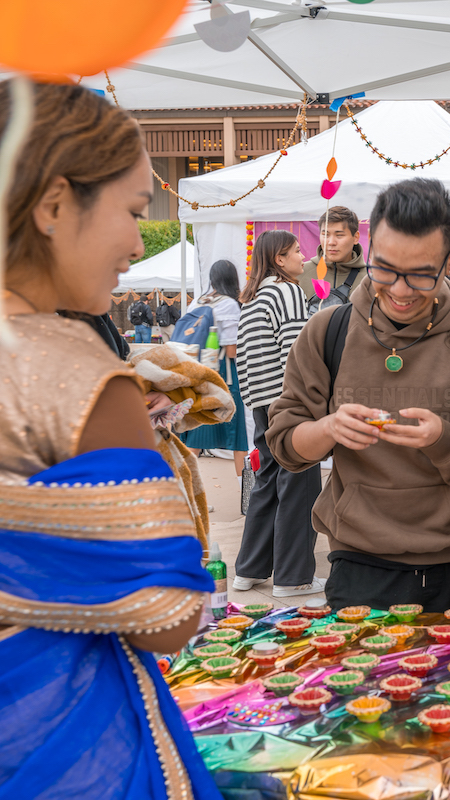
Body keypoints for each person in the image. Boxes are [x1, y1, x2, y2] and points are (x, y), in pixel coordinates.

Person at [0, 79, 220, 799]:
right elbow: (166, 614)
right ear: (55, 204)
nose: (136, 240)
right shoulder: (82, 377)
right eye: (132, 211)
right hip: (60, 738)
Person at [267, 178, 450, 611]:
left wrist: (443, 439)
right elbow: (285, 443)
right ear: (370, 248)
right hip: (360, 565)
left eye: (420, 274)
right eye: (385, 269)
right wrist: (327, 428)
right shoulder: (328, 333)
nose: (399, 290)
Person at [234, 230, 324, 597]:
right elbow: (294, 352)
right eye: (296, 252)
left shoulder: (253, 297)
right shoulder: (286, 292)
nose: (303, 257)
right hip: (287, 402)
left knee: (268, 483)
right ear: (279, 260)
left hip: (260, 401)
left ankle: (250, 569)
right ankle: (293, 576)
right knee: (300, 484)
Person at [180, 259, 250, 475]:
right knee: (238, 439)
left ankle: (184, 493)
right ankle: (246, 499)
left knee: (196, 435)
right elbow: (231, 351)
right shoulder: (229, 304)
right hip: (224, 376)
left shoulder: (198, 301)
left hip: (198, 374)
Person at [299, 205, 368, 309]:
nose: (331, 242)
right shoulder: (300, 273)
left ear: (356, 237)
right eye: (325, 235)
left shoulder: (369, 279)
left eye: (339, 235)